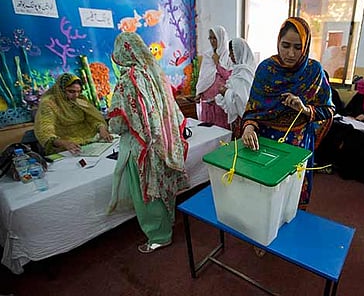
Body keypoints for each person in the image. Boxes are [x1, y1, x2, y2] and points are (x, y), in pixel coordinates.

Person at [242, 16, 335, 210]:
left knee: (291, 193)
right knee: (266, 194)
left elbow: (328, 110)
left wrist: (304, 108)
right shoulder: (266, 70)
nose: (290, 53)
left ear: (306, 46)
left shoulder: (313, 71)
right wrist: (249, 128)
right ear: (278, 42)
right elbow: (253, 110)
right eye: (285, 45)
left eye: (297, 47)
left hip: (297, 143)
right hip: (266, 141)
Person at [107, 32, 188, 253]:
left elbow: (118, 123)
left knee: (147, 193)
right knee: (162, 185)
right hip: (164, 143)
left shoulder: (127, 81)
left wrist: (111, 126)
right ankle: (167, 223)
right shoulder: (155, 73)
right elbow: (173, 110)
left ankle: (159, 236)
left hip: (140, 147)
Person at [316, 70, 364, 185]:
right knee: (337, 130)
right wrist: (355, 116)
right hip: (354, 123)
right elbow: (348, 110)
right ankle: (329, 164)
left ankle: (363, 176)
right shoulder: (361, 94)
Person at [34, 72, 112, 155]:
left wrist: (102, 129)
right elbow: (45, 131)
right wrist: (64, 143)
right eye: (71, 91)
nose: (76, 95)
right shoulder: (49, 104)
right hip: (66, 149)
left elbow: (93, 119)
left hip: (89, 143)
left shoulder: (79, 101)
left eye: (78, 91)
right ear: (61, 89)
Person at [215, 38, 256, 138]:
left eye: (232, 53)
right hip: (238, 120)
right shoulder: (238, 70)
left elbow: (243, 101)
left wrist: (226, 92)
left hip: (243, 120)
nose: (229, 56)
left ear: (239, 52)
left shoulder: (244, 73)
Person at [195, 25, 233, 129]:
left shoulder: (229, 57)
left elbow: (230, 78)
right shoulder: (208, 55)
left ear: (221, 38)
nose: (212, 41)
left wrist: (217, 63)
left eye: (214, 38)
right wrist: (199, 92)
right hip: (207, 102)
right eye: (210, 38)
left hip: (221, 103)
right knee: (207, 131)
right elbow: (203, 77)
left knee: (221, 132)